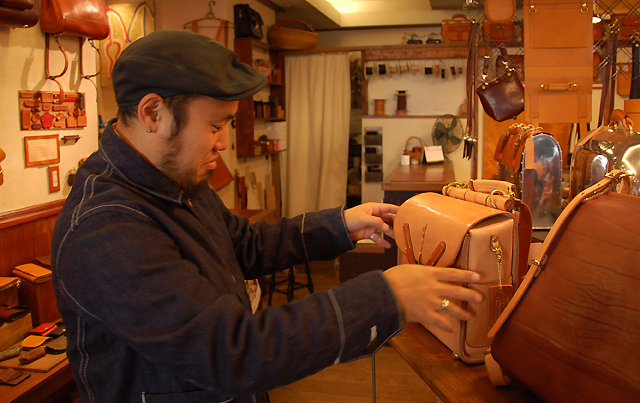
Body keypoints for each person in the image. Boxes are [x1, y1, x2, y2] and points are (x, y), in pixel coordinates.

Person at [51, 30, 483, 403]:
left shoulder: (174, 179)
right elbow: (230, 352)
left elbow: (245, 245)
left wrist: (340, 225)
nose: (223, 143)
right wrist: (384, 296)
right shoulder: (104, 227)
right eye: (215, 125)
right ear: (152, 114)